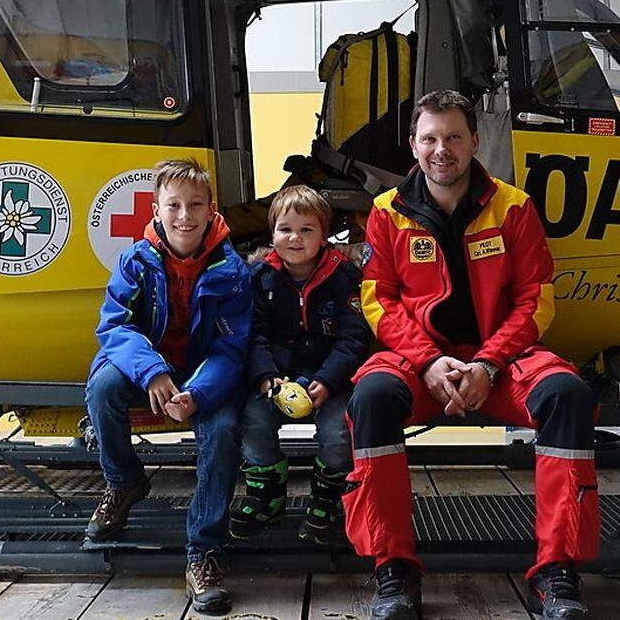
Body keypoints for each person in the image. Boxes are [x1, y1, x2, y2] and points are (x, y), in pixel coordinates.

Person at [345, 90, 599, 619]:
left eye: (454, 137)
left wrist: (488, 363)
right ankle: (393, 570)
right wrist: (428, 361)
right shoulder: (386, 213)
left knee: (567, 394)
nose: (443, 150)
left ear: (474, 142)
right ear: (413, 146)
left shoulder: (514, 206)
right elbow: (379, 301)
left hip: (501, 365)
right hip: (420, 366)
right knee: (371, 396)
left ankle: (556, 571)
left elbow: (537, 297)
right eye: (431, 138)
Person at [83, 159, 251, 616]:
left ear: (211, 209)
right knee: (102, 391)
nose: (184, 216)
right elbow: (115, 326)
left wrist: (197, 394)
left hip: (203, 373)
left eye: (195, 205)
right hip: (147, 365)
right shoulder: (135, 260)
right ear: (156, 209)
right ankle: (124, 481)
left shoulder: (233, 271)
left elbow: (232, 347)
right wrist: (153, 372)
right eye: (173, 205)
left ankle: (204, 551)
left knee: (220, 432)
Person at [230, 185, 370, 543]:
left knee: (339, 430)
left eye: (307, 229)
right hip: (277, 379)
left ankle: (327, 499)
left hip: (331, 379)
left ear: (324, 236)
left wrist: (328, 380)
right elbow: (253, 336)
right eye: (285, 229)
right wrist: (267, 381)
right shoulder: (259, 278)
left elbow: (353, 338)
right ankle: (266, 495)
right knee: (255, 419)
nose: (295, 238)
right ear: (272, 233)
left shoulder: (344, 277)